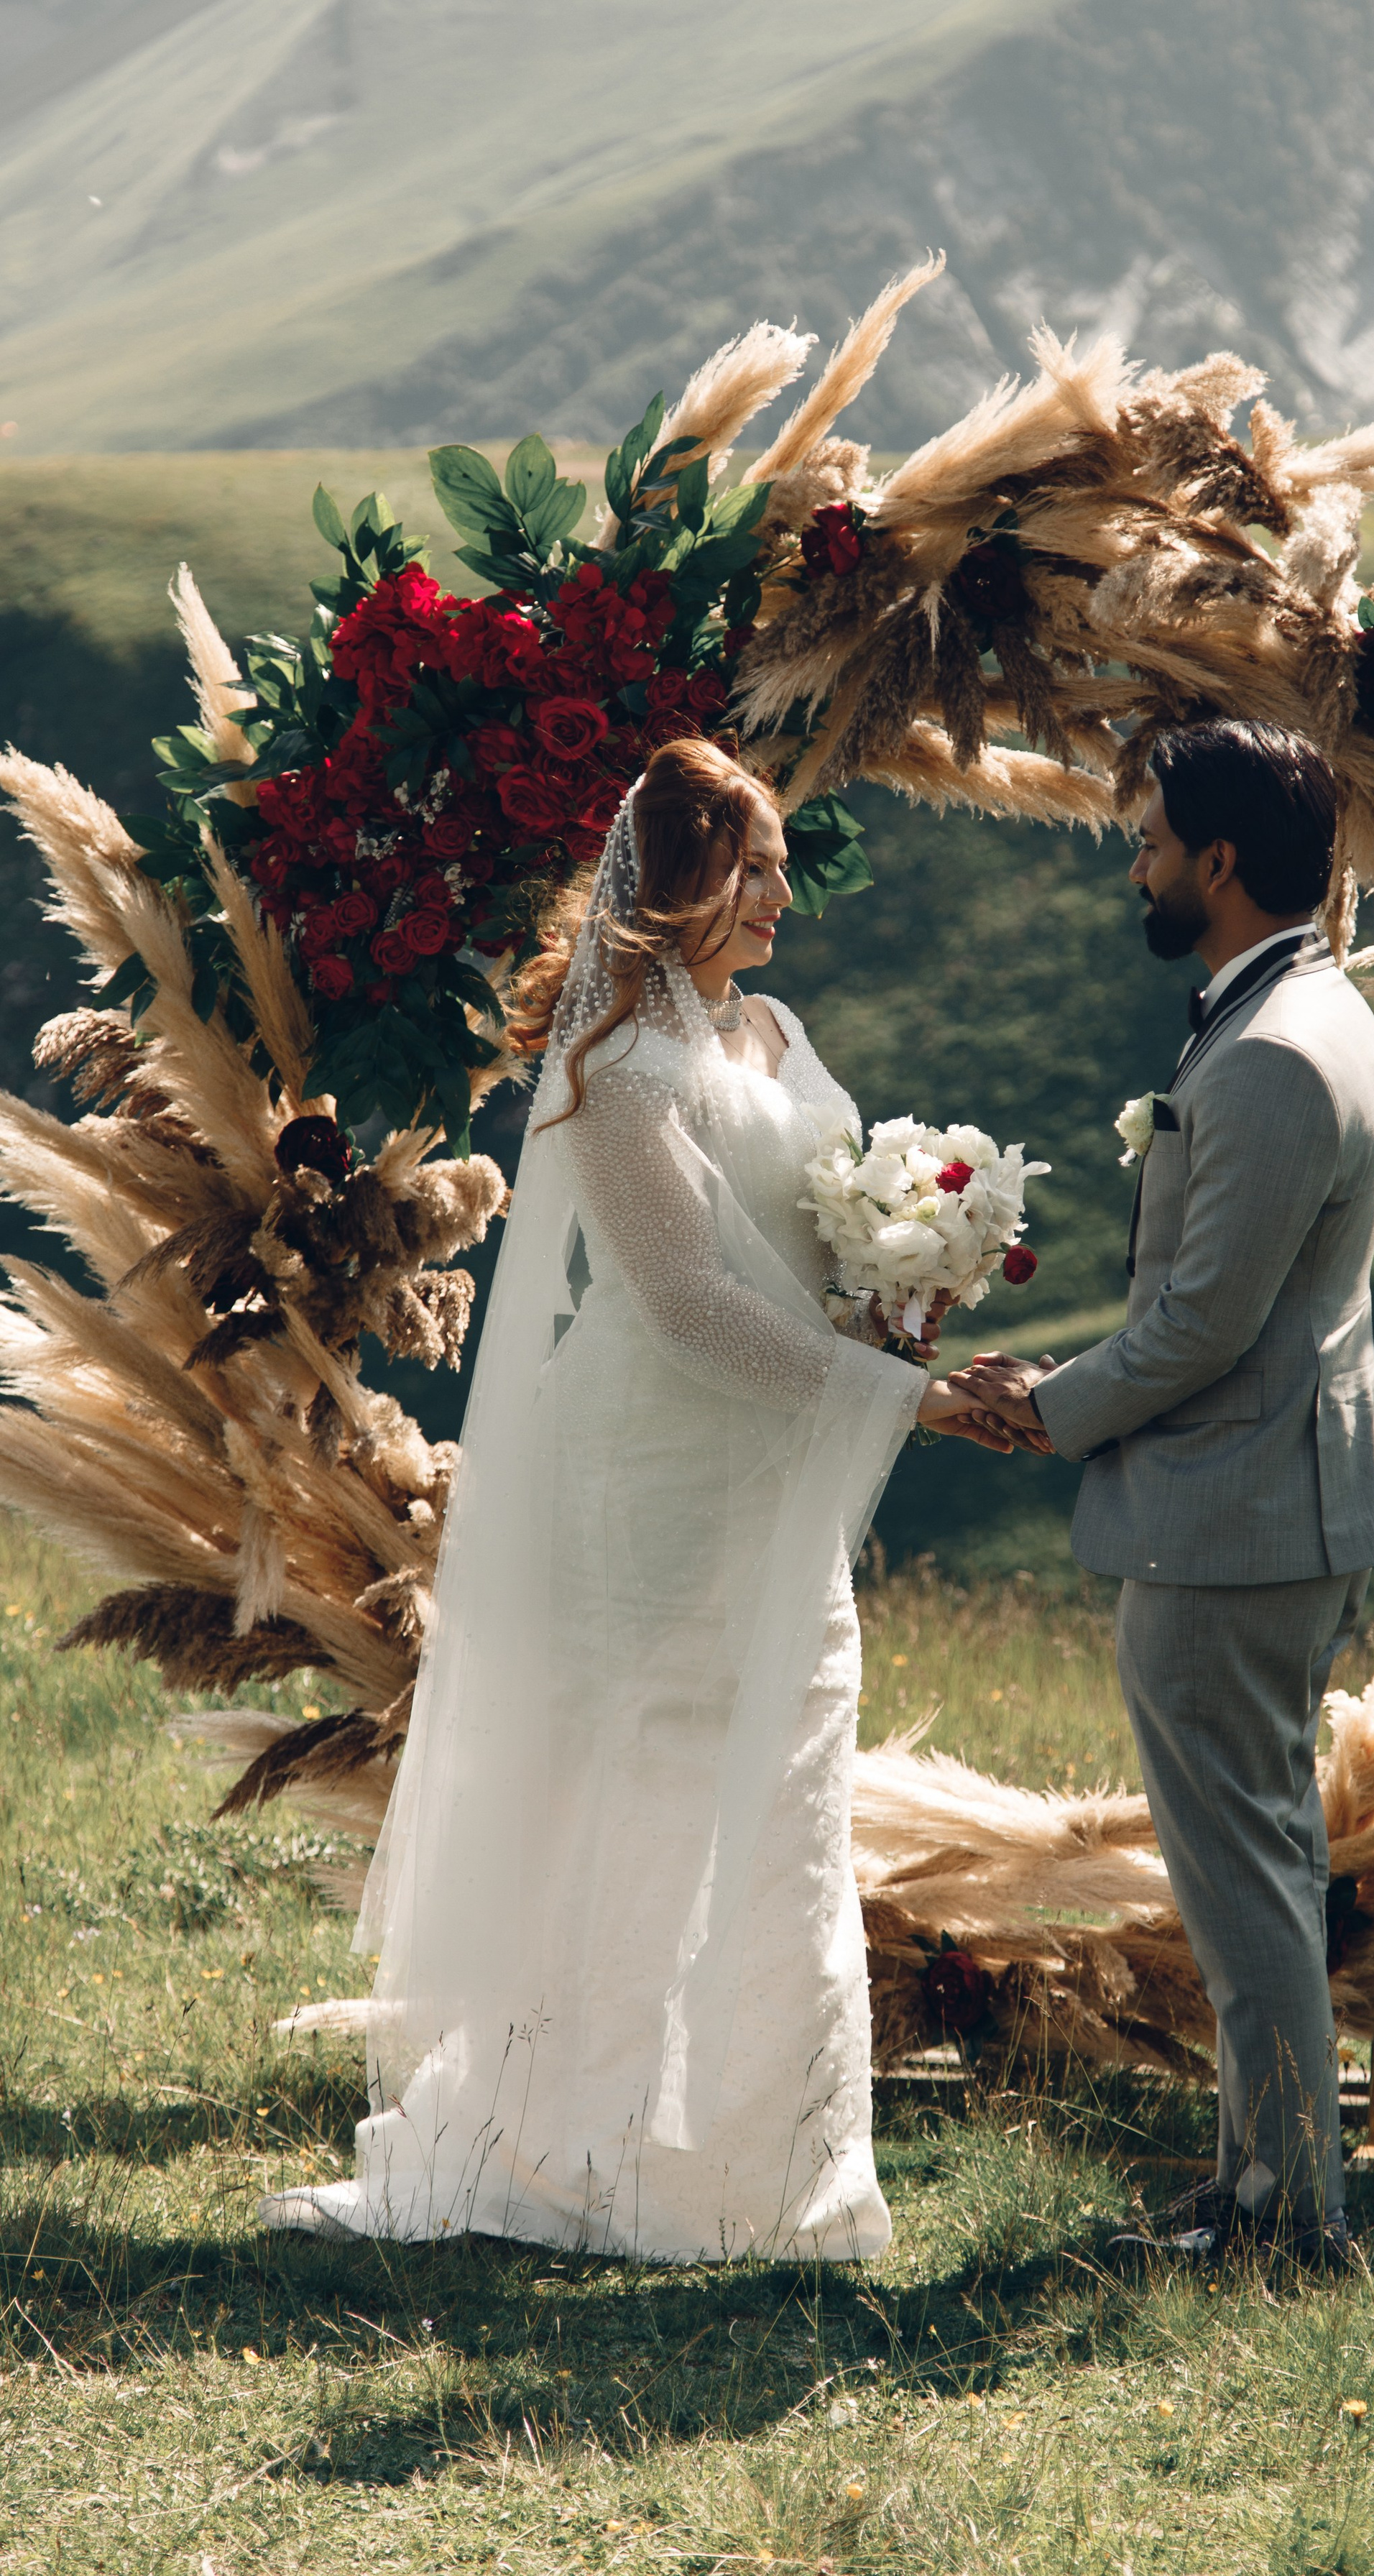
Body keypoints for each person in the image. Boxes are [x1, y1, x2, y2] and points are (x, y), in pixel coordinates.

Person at [259, 737, 999, 2258]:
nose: (788, 896)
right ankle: (579, 2145)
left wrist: (898, 1289)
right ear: (680, 883)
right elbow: (683, 1305)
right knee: (645, 1781)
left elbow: (803, 1248)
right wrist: (901, 1399)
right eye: (760, 866)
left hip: (777, 1469)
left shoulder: (777, 1032)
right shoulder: (613, 1070)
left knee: (789, 1773)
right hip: (656, 1468)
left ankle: (766, 2169)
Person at [961, 717, 1374, 2266]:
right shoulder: (1307, 1012)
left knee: (1238, 1888)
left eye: (1150, 840)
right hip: (1279, 1497)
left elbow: (1200, 1324)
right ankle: (1261, 2186)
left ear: (1219, 862)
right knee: (1261, 1865)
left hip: (1234, 1516)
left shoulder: (1276, 1057)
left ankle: (1286, 2216)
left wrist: (1048, 1414)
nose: (1136, 864)